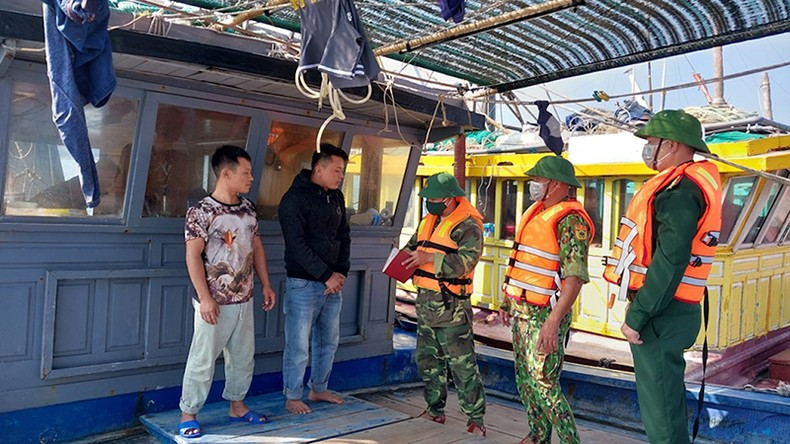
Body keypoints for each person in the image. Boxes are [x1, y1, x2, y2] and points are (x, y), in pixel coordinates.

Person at [603, 110, 722, 444]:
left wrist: (637, 315)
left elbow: (670, 261)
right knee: (664, 403)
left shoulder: (680, 191)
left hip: (660, 312)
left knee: (662, 414)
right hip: (672, 308)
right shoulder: (682, 184)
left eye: (652, 143)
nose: (648, 149)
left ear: (670, 145)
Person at [178, 145, 277, 438]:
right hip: (215, 302)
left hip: (244, 297)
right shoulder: (201, 211)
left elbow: (256, 246)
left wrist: (266, 284)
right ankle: (188, 413)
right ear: (226, 173)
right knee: (203, 358)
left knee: (243, 356)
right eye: (245, 173)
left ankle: (237, 406)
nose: (251, 178)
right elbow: (192, 256)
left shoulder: (248, 208)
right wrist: (205, 298)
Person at [499, 155, 594, 444]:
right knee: (525, 380)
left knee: (544, 382)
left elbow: (574, 278)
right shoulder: (537, 211)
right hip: (522, 310)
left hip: (545, 315)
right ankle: (538, 436)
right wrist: (507, 302)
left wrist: (553, 322)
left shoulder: (570, 221)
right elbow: (525, 265)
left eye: (538, 179)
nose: (534, 184)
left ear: (555, 184)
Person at [401, 172, 487, 436]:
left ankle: (476, 419)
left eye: (434, 199)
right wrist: (400, 260)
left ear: (449, 199)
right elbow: (412, 247)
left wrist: (427, 258)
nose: (430, 203)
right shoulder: (430, 220)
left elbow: (465, 263)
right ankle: (434, 410)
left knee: (462, 364)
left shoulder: (468, 225)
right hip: (426, 304)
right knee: (428, 360)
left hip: (452, 306)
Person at [278, 143, 351, 414]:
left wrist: (340, 271)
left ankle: (319, 388)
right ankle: (293, 396)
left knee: (328, 340)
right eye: (337, 170)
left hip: (333, 282)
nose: (341, 175)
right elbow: (296, 245)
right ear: (318, 169)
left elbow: (344, 236)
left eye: (343, 171)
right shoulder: (294, 200)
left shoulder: (337, 198)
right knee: (298, 344)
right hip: (303, 283)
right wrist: (325, 275)